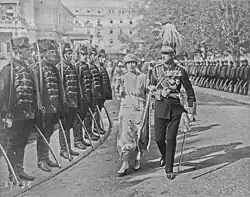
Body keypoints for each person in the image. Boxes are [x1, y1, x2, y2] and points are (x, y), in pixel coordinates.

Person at [148, 23, 196, 180]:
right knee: (159, 139)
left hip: (176, 109)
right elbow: (150, 88)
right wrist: (159, 92)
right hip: (160, 107)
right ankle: (165, 156)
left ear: (173, 55)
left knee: (170, 139)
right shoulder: (156, 70)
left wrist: (191, 109)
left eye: (167, 53)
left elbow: (189, 90)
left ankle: (169, 168)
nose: (163, 56)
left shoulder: (181, 70)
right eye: (162, 53)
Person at [0, 36, 40, 182]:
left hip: (27, 115)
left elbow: (34, 93)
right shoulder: (7, 70)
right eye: (26, 49)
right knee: (13, 143)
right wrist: (5, 115)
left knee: (22, 141)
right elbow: (2, 94)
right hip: (13, 115)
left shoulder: (29, 69)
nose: (30, 51)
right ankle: (12, 174)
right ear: (17, 51)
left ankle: (19, 169)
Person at [35, 39, 65, 172]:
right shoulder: (37, 69)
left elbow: (60, 88)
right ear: (44, 53)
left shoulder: (54, 68)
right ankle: (41, 160)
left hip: (54, 108)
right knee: (42, 133)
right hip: (44, 109)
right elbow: (36, 91)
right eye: (51, 51)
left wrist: (61, 104)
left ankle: (46, 157)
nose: (54, 54)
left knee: (49, 132)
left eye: (54, 51)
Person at [116, 54, 149, 176]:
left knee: (138, 134)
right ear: (125, 65)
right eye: (128, 63)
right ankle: (124, 162)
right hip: (126, 108)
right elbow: (118, 94)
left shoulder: (142, 77)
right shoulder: (122, 77)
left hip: (139, 109)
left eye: (133, 62)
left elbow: (147, 92)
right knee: (124, 135)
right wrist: (119, 89)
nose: (131, 65)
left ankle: (137, 158)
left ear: (136, 63)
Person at [57, 42, 79, 159]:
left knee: (69, 125)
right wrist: (63, 102)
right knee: (64, 125)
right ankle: (63, 149)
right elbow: (60, 88)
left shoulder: (72, 66)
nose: (70, 56)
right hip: (65, 103)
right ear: (64, 54)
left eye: (71, 53)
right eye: (68, 54)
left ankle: (68, 147)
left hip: (73, 101)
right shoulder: (60, 67)